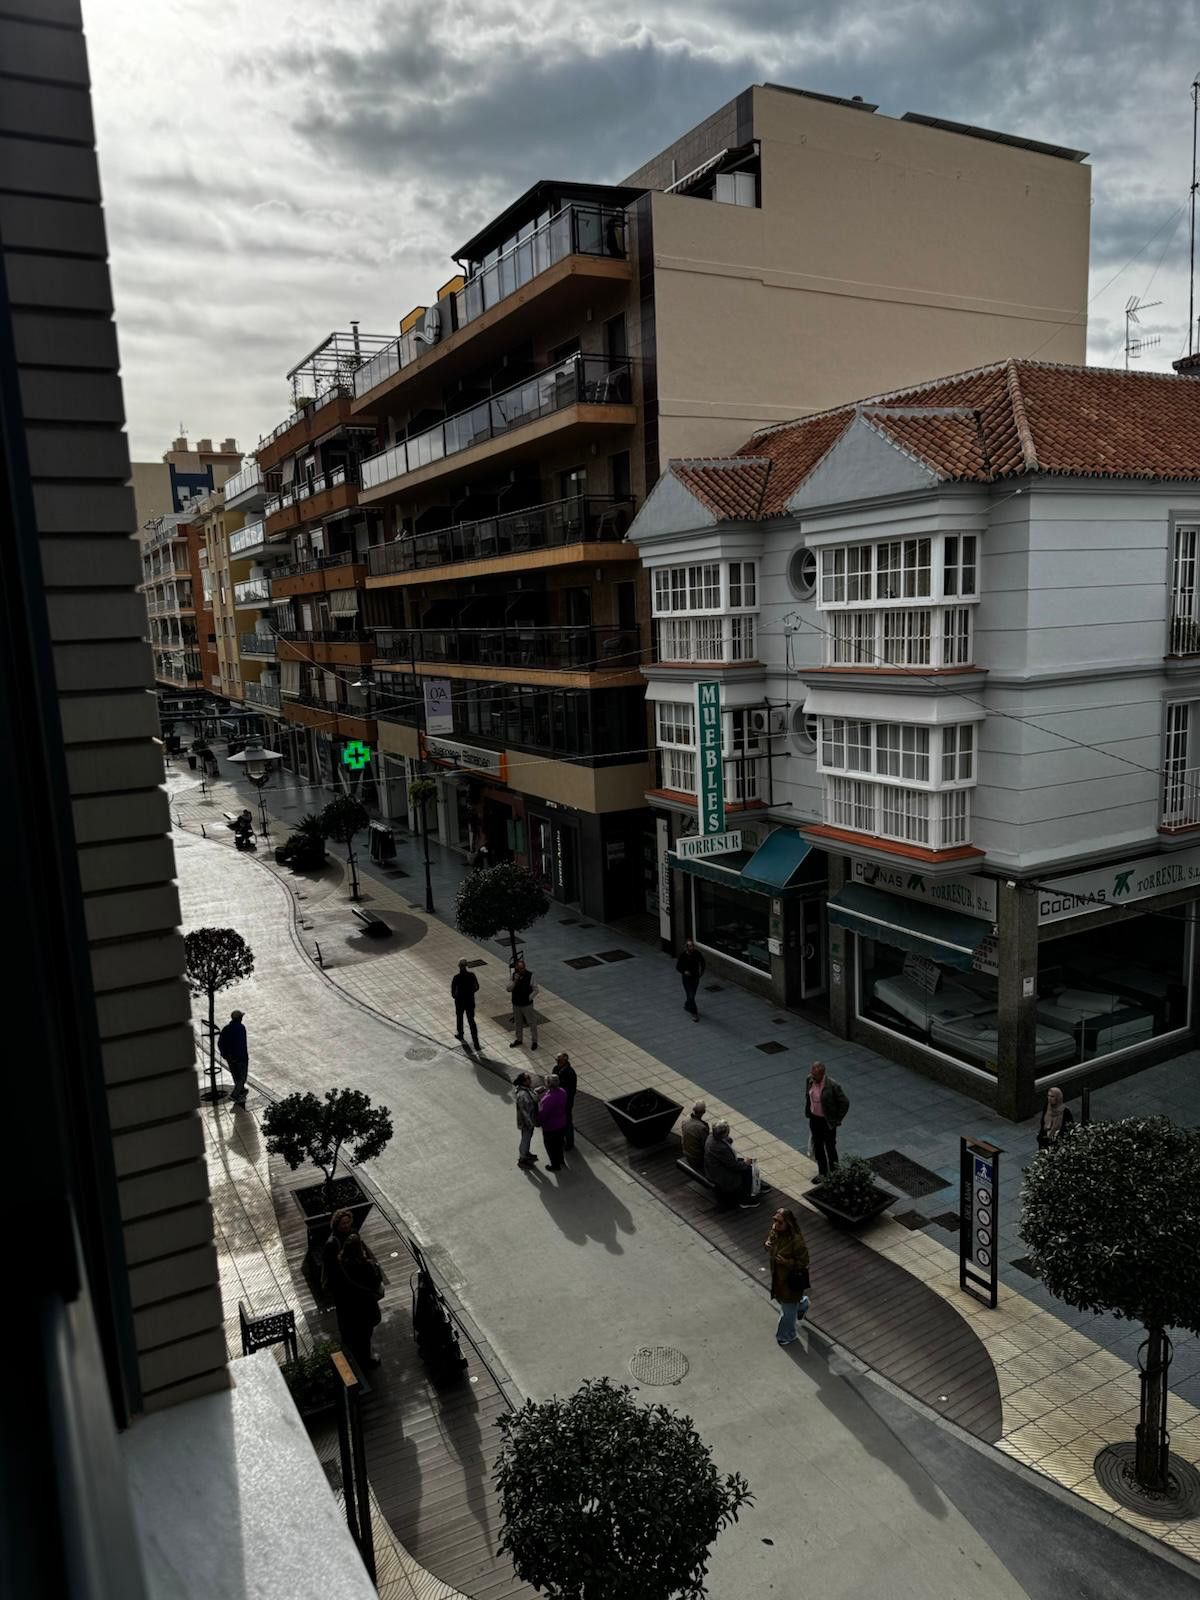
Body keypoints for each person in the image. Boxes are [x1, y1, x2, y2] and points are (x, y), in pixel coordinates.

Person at [335, 1231, 384, 1370]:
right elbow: (375, 1282)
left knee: (355, 1332)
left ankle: (356, 1354)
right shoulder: (366, 1265)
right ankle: (366, 1361)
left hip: (348, 1304)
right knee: (365, 1334)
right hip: (365, 1304)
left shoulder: (341, 1263)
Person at [765, 1209, 811, 1347]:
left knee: (787, 1312)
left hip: (791, 1280)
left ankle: (786, 1335)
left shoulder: (796, 1241)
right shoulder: (775, 1232)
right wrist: (767, 1245)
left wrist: (787, 1262)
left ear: (788, 1223)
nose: (776, 1224)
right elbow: (771, 1243)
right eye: (774, 1220)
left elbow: (804, 1262)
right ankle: (803, 1304)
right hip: (778, 1277)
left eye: (780, 1222)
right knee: (784, 1301)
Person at [804, 1061, 849, 1176]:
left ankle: (834, 1174)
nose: (813, 1077)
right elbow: (808, 1095)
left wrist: (838, 1119)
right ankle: (822, 1173)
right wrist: (809, 1111)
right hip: (814, 1119)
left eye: (815, 1075)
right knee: (818, 1147)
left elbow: (845, 1102)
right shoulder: (809, 1079)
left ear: (822, 1074)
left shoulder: (832, 1085)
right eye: (812, 1073)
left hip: (827, 1121)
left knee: (830, 1147)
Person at [704, 1119, 760, 1208]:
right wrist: (746, 1163)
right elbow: (734, 1166)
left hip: (712, 1167)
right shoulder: (721, 1148)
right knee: (748, 1170)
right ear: (724, 1133)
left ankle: (750, 1190)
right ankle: (745, 1199)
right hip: (719, 1175)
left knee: (743, 1163)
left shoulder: (710, 1137)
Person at [217, 1009, 249, 1106]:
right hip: (240, 1057)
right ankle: (235, 1095)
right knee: (242, 1077)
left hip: (230, 1057)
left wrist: (225, 1054)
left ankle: (241, 1089)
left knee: (235, 1074)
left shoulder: (226, 1029)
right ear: (240, 1018)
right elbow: (242, 1044)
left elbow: (220, 1043)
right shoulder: (241, 1028)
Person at [538, 1073, 569, 1172]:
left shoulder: (547, 1099)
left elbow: (542, 1114)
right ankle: (561, 1160)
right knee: (559, 1144)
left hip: (550, 1127)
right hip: (561, 1123)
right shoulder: (563, 1092)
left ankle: (555, 1165)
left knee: (551, 1147)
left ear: (548, 1084)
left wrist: (539, 1122)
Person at [507, 957, 539, 1050]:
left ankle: (534, 1041)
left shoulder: (530, 975)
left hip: (527, 1005)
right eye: (519, 968)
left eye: (523, 968)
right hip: (516, 1004)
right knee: (518, 1022)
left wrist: (529, 998)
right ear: (516, 969)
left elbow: (536, 990)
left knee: (531, 1022)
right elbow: (508, 989)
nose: (521, 970)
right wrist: (515, 981)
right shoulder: (514, 975)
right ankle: (519, 1039)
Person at [451, 958, 481, 1050]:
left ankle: (460, 1034)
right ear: (467, 965)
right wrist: (471, 992)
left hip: (460, 1001)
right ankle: (476, 1042)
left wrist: (456, 996)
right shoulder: (471, 975)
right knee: (471, 1021)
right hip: (470, 1001)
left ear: (459, 966)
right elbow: (477, 987)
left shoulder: (456, 977)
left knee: (459, 1017)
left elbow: (453, 992)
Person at [514, 1072, 539, 1168]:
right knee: (525, 1139)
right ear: (524, 1082)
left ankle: (526, 1153)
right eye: (528, 1078)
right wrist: (529, 1122)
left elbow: (532, 1093)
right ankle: (522, 1159)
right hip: (527, 1122)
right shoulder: (522, 1094)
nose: (530, 1079)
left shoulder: (526, 1089)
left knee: (528, 1137)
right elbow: (524, 1111)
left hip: (530, 1120)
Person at [676, 939, 705, 1020]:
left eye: (692, 946)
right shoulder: (683, 956)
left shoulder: (697, 953)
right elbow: (678, 967)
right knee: (691, 995)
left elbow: (703, 962)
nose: (691, 947)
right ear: (686, 947)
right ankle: (694, 1013)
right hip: (686, 979)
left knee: (692, 995)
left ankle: (687, 1005)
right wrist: (684, 971)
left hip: (695, 978)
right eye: (689, 946)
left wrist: (702, 971)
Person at [554, 1051, 578, 1150]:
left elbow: (570, 1091)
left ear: (565, 1061)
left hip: (566, 1102)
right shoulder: (556, 1069)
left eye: (559, 1060)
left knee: (567, 1121)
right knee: (560, 1120)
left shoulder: (570, 1073)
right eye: (557, 1060)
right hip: (558, 1100)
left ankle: (569, 1142)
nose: (557, 1062)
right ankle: (562, 1138)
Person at [680, 1100, 710, 1168]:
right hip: (696, 1158)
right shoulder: (702, 1128)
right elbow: (706, 1145)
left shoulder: (685, 1120)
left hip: (686, 1152)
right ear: (703, 1112)